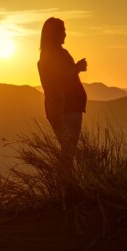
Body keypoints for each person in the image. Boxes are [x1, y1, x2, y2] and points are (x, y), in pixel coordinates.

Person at [37, 18, 87, 161]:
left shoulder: (47, 54)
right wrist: (76, 68)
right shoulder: (57, 54)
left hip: (58, 109)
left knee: (68, 150)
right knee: (69, 152)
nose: (65, 34)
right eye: (62, 30)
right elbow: (58, 81)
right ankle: (68, 181)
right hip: (68, 108)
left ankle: (68, 179)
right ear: (54, 33)